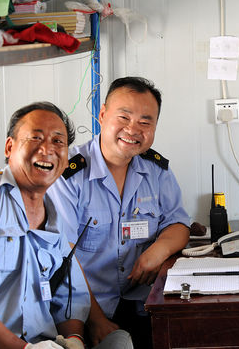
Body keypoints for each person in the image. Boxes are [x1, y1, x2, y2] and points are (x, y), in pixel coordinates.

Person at [0, 102, 132, 349]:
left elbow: (70, 299)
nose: (47, 149)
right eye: (36, 138)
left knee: (120, 341)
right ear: (10, 147)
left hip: (37, 342)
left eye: (58, 142)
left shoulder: (56, 220)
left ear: (66, 159)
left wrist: (73, 340)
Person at [48, 77, 191, 348]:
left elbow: (178, 224)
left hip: (144, 304)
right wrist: (96, 320)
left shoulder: (157, 172)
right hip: (81, 311)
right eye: (123, 117)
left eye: (145, 122)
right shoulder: (69, 176)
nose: (133, 129)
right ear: (102, 115)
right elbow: (62, 255)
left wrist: (157, 251)